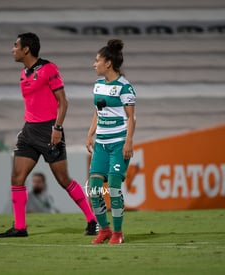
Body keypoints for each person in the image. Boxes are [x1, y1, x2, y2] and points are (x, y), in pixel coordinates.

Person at [0, 32, 97, 238]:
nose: (12, 49)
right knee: (17, 177)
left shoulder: (49, 69)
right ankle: (20, 227)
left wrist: (57, 128)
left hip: (49, 130)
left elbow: (63, 101)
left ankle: (93, 221)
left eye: (15, 45)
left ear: (26, 49)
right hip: (29, 131)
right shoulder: (24, 72)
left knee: (63, 179)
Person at [86, 39, 136, 245]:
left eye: (97, 60)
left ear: (108, 63)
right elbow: (98, 113)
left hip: (118, 144)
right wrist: (90, 134)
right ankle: (104, 230)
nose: (94, 64)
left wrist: (128, 142)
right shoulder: (98, 85)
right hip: (101, 145)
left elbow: (131, 118)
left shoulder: (125, 87)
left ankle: (118, 233)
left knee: (113, 188)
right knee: (94, 189)